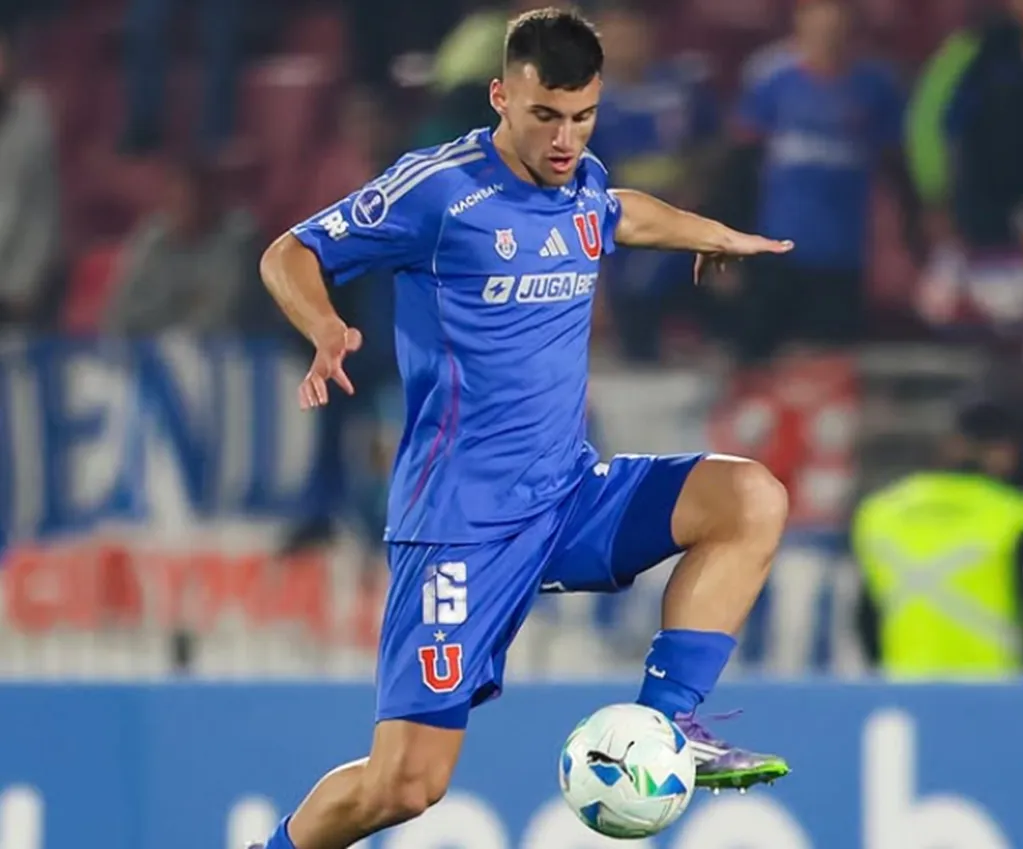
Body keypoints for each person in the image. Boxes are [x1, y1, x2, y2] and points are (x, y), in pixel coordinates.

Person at [256, 10, 794, 849]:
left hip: (566, 496)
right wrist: (325, 326)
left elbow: (614, 212)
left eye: (582, 118)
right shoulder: (437, 189)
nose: (564, 138)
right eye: (545, 116)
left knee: (748, 496)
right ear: (502, 96)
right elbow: (289, 251)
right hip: (458, 528)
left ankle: (665, 726)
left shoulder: (579, 177)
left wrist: (707, 232)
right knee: (404, 785)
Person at [853, 394, 1023, 677]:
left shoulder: (880, 512)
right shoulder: (1012, 516)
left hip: (906, 693)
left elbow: (866, 619)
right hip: (998, 697)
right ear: (1004, 452)